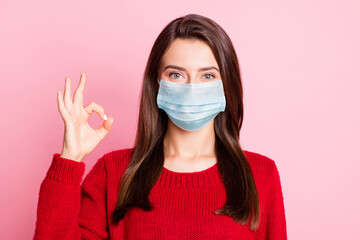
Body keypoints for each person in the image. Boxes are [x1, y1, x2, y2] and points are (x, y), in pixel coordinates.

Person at [33, 13, 287, 239]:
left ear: (226, 85)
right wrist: (69, 161)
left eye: (207, 75)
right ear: (157, 84)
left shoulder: (261, 175)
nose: (191, 88)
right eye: (176, 74)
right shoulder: (113, 173)